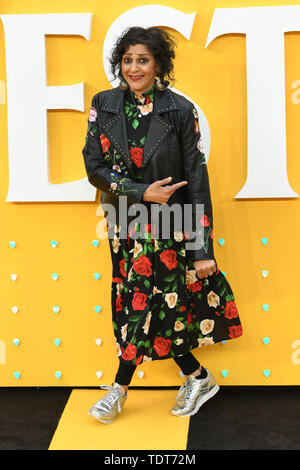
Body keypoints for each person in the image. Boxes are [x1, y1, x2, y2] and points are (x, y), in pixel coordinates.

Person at [82, 26, 243, 424]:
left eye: (143, 59)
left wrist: (202, 248)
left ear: (158, 64)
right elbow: (93, 167)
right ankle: (198, 376)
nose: (134, 67)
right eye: (127, 59)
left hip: (172, 223)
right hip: (124, 221)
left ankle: (119, 389)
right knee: (139, 303)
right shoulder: (103, 105)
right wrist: (140, 191)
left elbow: (197, 179)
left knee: (155, 304)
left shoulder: (178, 110)